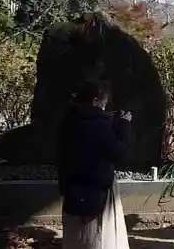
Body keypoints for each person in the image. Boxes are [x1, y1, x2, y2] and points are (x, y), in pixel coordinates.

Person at [58, 81, 132, 249]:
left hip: (73, 194)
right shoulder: (98, 125)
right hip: (95, 195)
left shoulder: (69, 120)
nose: (104, 108)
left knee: (75, 239)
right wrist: (123, 126)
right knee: (97, 239)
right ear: (95, 101)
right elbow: (121, 154)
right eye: (104, 103)